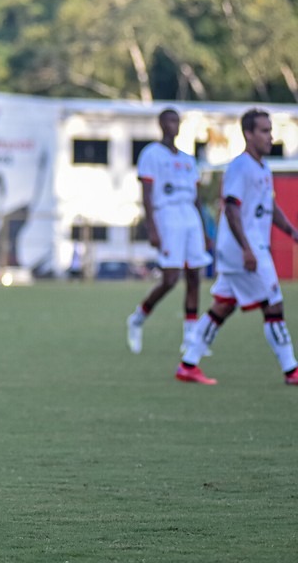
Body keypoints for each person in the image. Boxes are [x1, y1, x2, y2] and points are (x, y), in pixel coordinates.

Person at [177, 109, 298, 385]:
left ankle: (188, 364)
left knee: (223, 305)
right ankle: (292, 370)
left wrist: (291, 230)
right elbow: (231, 210)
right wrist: (246, 249)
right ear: (248, 134)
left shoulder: (263, 167)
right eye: (264, 131)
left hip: (247, 249)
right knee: (273, 304)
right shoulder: (240, 167)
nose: (270, 136)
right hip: (246, 250)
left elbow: (268, 205)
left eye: (270, 130)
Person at [126, 109, 212, 354]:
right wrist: (152, 227)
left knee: (195, 276)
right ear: (161, 124)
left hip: (190, 217)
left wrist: (204, 230)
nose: (174, 125)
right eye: (170, 120)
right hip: (168, 215)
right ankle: (138, 318)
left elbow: (197, 199)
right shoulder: (151, 154)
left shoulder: (188, 158)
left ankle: (190, 339)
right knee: (171, 278)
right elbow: (147, 193)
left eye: (177, 121)